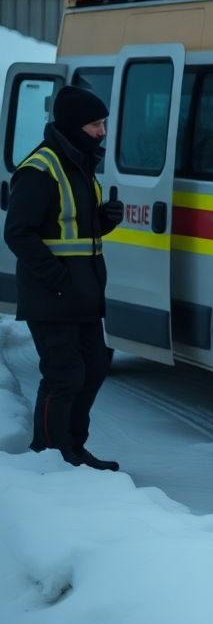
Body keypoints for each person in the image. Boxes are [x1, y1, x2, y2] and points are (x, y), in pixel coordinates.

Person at [3, 86, 125, 471]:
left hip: (82, 295)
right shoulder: (40, 169)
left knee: (93, 367)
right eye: (95, 124)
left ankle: (73, 448)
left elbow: (68, 230)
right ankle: (52, 456)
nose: (102, 131)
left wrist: (103, 220)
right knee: (64, 375)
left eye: (103, 122)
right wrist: (55, 276)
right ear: (74, 126)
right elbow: (18, 232)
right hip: (52, 295)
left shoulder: (80, 164)